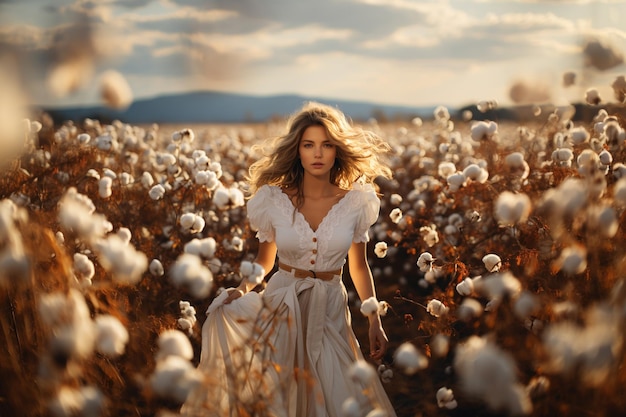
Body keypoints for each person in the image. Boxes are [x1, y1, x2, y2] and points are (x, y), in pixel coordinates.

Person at [181, 101, 397, 417]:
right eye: (309, 145)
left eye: (326, 145)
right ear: (297, 150)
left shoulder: (356, 202)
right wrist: (242, 290)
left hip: (330, 311)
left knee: (335, 389)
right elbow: (265, 261)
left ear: (337, 150)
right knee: (280, 389)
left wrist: (374, 319)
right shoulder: (272, 199)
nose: (318, 153)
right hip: (281, 304)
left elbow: (358, 266)